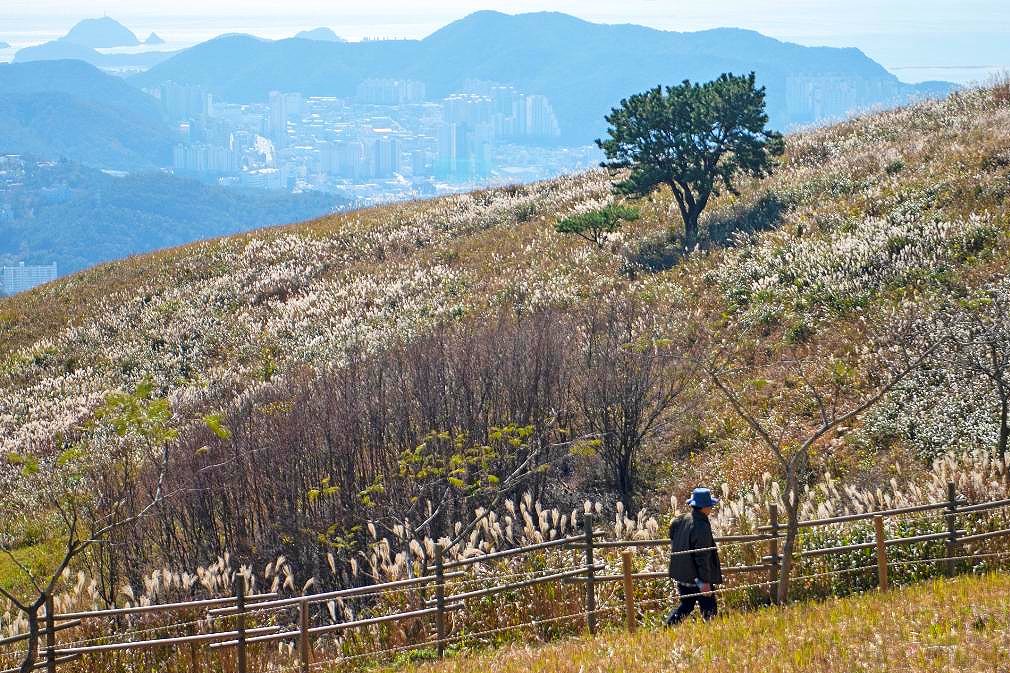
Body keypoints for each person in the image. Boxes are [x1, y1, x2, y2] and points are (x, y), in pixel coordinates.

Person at [666, 487, 723, 625]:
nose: (711, 507)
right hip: (697, 578)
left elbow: (673, 534)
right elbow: (702, 556)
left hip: (683, 575)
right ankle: (712, 635)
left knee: (686, 605)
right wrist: (704, 582)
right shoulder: (701, 526)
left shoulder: (681, 519)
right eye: (709, 505)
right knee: (709, 609)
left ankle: (668, 628)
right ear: (704, 507)